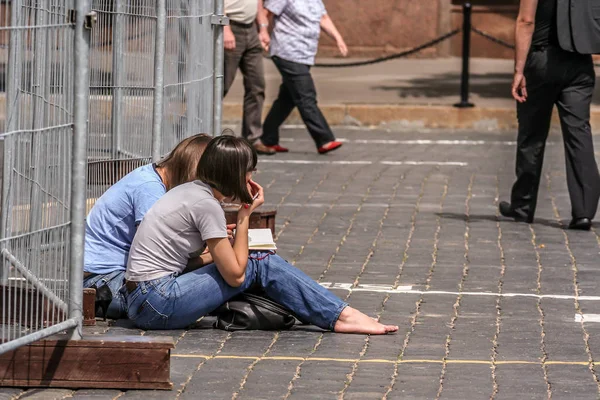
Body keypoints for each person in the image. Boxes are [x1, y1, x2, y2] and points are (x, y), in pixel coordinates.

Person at [122, 136, 397, 335]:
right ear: (236, 174)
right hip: (156, 302)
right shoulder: (206, 205)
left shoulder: (192, 190)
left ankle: (331, 311)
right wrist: (244, 215)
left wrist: (226, 248)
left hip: (142, 299)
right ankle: (341, 316)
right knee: (259, 262)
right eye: (250, 171)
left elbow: (187, 262)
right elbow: (236, 275)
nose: (252, 177)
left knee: (254, 258)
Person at [84, 134, 212, 319]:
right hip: (102, 282)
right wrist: (213, 255)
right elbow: (159, 258)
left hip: (109, 275)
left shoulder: (152, 177)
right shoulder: (150, 190)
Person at [499, 0, 600, 230]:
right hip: (579, 64)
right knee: (579, 135)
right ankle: (583, 211)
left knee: (531, 134)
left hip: (541, 61)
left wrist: (518, 70)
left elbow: (526, 21)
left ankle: (523, 207)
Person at [252, 0, 347, 155]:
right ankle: (324, 139)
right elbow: (266, 12)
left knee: (287, 99)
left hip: (305, 54)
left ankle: (267, 139)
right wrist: (263, 32)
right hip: (287, 52)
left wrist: (338, 38)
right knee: (306, 96)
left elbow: (323, 18)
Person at [223, 0, 272, 151]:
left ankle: (252, 138)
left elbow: (257, 3)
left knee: (257, 86)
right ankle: (195, 132)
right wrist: (225, 29)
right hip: (231, 26)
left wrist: (263, 28)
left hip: (251, 29)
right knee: (221, 86)